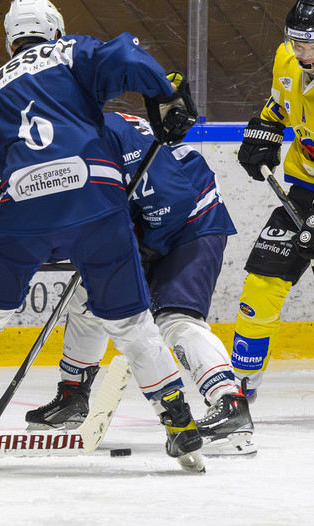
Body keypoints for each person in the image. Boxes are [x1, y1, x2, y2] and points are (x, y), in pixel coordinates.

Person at [0, 0, 204, 471]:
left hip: (23, 207)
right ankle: (182, 429)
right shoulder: (70, 51)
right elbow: (124, 56)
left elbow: (7, 164)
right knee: (131, 326)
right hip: (95, 199)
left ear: (10, 41)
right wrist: (165, 91)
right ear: (54, 29)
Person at [25, 112, 255, 454]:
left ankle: (230, 402)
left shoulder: (106, 129)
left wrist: (146, 248)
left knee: (174, 319)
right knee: (87, 299)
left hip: (191, 219)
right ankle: (73, 395)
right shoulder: (56, 137)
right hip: (145, 224)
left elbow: (171, 198)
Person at [232, 0, 314, 403]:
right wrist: (263, 134)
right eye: (295, 39)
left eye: (309, 42)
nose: (299, 50)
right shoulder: (288, 60)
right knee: (262, 281)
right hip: (303, 192)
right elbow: (279, 106)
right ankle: (240, 387)